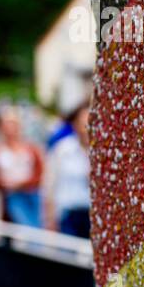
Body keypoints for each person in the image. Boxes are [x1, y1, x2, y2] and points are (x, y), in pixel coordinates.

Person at [44, 102, 91, 238]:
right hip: (68, 215)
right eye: (83, 123)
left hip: (93, 215)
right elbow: (49, 185)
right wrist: (50, 219)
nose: (86, 128)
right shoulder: (62, 150)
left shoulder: (103, 151)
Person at [0, 108, 45, 227]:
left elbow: (39, 174)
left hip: (30, 194)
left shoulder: (30, 148)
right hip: (10, 196)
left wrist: (21, 184)